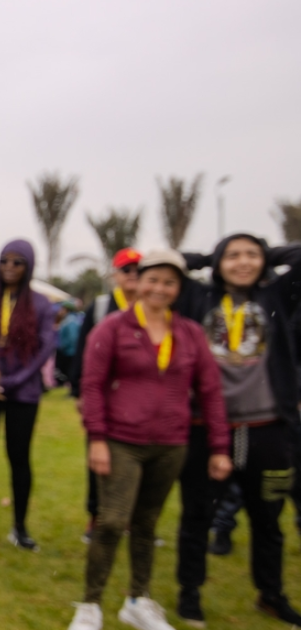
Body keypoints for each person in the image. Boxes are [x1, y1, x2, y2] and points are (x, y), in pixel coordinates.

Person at [68, 249, 230, 630]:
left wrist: (220, 447)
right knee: (111, 522)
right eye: (152, 279)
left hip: (171, 443)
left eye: (169, 282)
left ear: (179, 288)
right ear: (138, 282)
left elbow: (210, 392)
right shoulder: (112, 328)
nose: (160, 288)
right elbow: (92, 385)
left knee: (146, 524)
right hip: (121, 440)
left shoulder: (189, 333)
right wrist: (97, 439)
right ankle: (90, 605)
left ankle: (137, 600)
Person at [172, 234, 301, 626]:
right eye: (233, 255)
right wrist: (214, 257)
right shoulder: (198, 298)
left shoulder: (277, 295)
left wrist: (265, 252)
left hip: (268, 430)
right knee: (197, 515)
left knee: (268, 518)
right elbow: (168, 262)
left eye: (251, 255)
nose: (242, 262)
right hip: (208, 429)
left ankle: (270, 593)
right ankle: (189, 593)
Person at [0, 239, 57, 550]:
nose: (9, 267)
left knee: (19, 458)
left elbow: (46, 346)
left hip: (24, 391)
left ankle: (20, 527)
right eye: (5, 260)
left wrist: (18, 379)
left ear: (29, 266)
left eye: (17, 262)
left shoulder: (41, 303)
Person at [71, 248, 140, 542]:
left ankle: (132, 521)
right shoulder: (100, 307)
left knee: (139, 458)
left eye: (139, 270)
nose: (133, 276)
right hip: (102, 395)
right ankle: (95, 518)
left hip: (139, 397)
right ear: (115, 275)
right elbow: (81, 353)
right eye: (127, 270)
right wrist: (78, 392)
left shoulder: (155, 306)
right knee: (98, 456)